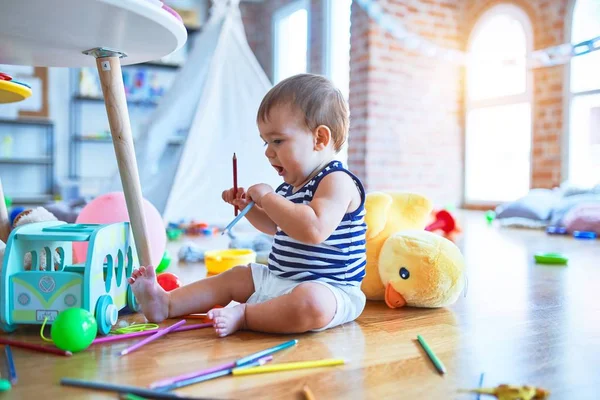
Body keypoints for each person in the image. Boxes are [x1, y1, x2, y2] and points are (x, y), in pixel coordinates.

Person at [129, 73, 367, 337]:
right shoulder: (291, 186)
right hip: (280, 279)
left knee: (310, 303)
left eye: (277, 141)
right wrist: (251, 208)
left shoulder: (338, 181)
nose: (268, 151)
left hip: (331, 290)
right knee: (235, 277)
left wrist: (268, 198)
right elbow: (276, 227)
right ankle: (166, 303)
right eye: (266, 142)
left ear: (320, 139)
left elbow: (313, 229)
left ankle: (246, 315)